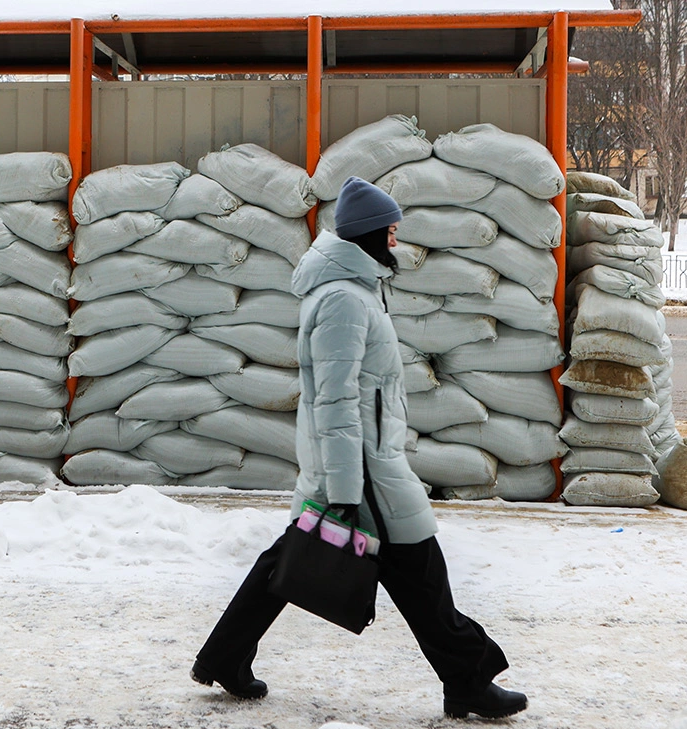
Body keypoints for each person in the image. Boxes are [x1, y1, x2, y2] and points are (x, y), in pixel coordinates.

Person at [190, 176, 528, 720]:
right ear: (369, 236)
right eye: (391, 234)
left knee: (294, 559)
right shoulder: (345, 301)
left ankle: (224, 657)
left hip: (364, 463)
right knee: (420, 575)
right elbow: (335, 400)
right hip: (364, 469)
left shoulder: (358, 290)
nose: (397, 245)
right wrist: (347, 489)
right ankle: (468, 681)